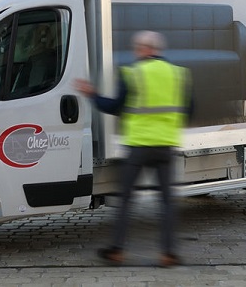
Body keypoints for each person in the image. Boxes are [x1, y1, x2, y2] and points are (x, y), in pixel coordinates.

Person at [74, 30, 191, 267]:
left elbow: (115, 106)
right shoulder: (179, 74)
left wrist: (92, 94)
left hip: (138, 146)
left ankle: (117, 250)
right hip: (166, 146)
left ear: (146, 49)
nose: (136, 52)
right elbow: (189, 111)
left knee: (126, 200)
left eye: (138, 48)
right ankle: (168, 253)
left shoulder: (133, 73)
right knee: (168, 202)